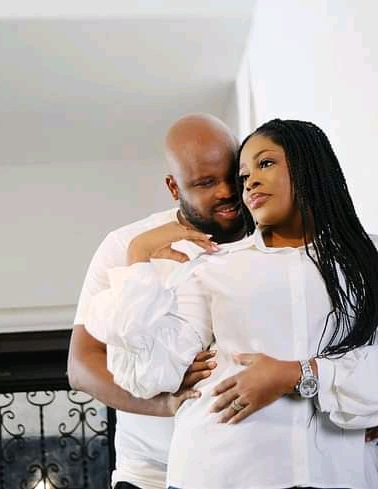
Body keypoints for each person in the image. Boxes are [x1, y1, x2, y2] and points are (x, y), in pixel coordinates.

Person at [84, 119, 378, 489]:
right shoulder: (212, 265)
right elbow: (148, 374)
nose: (248, 183)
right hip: (218, 471)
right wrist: (138, 257)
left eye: (265, 164)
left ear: (310, 165)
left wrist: (298, 374)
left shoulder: (367, 259)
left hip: (339, 475)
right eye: (244, 176)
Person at [67, 113, 251, 489]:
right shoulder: (127, 245)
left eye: (233, 177)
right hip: (151, 472)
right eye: (205, 183)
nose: (226, 192)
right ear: (173, 186)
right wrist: (165, 403)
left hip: (244, 466)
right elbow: (81, 365)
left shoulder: (270, 238)